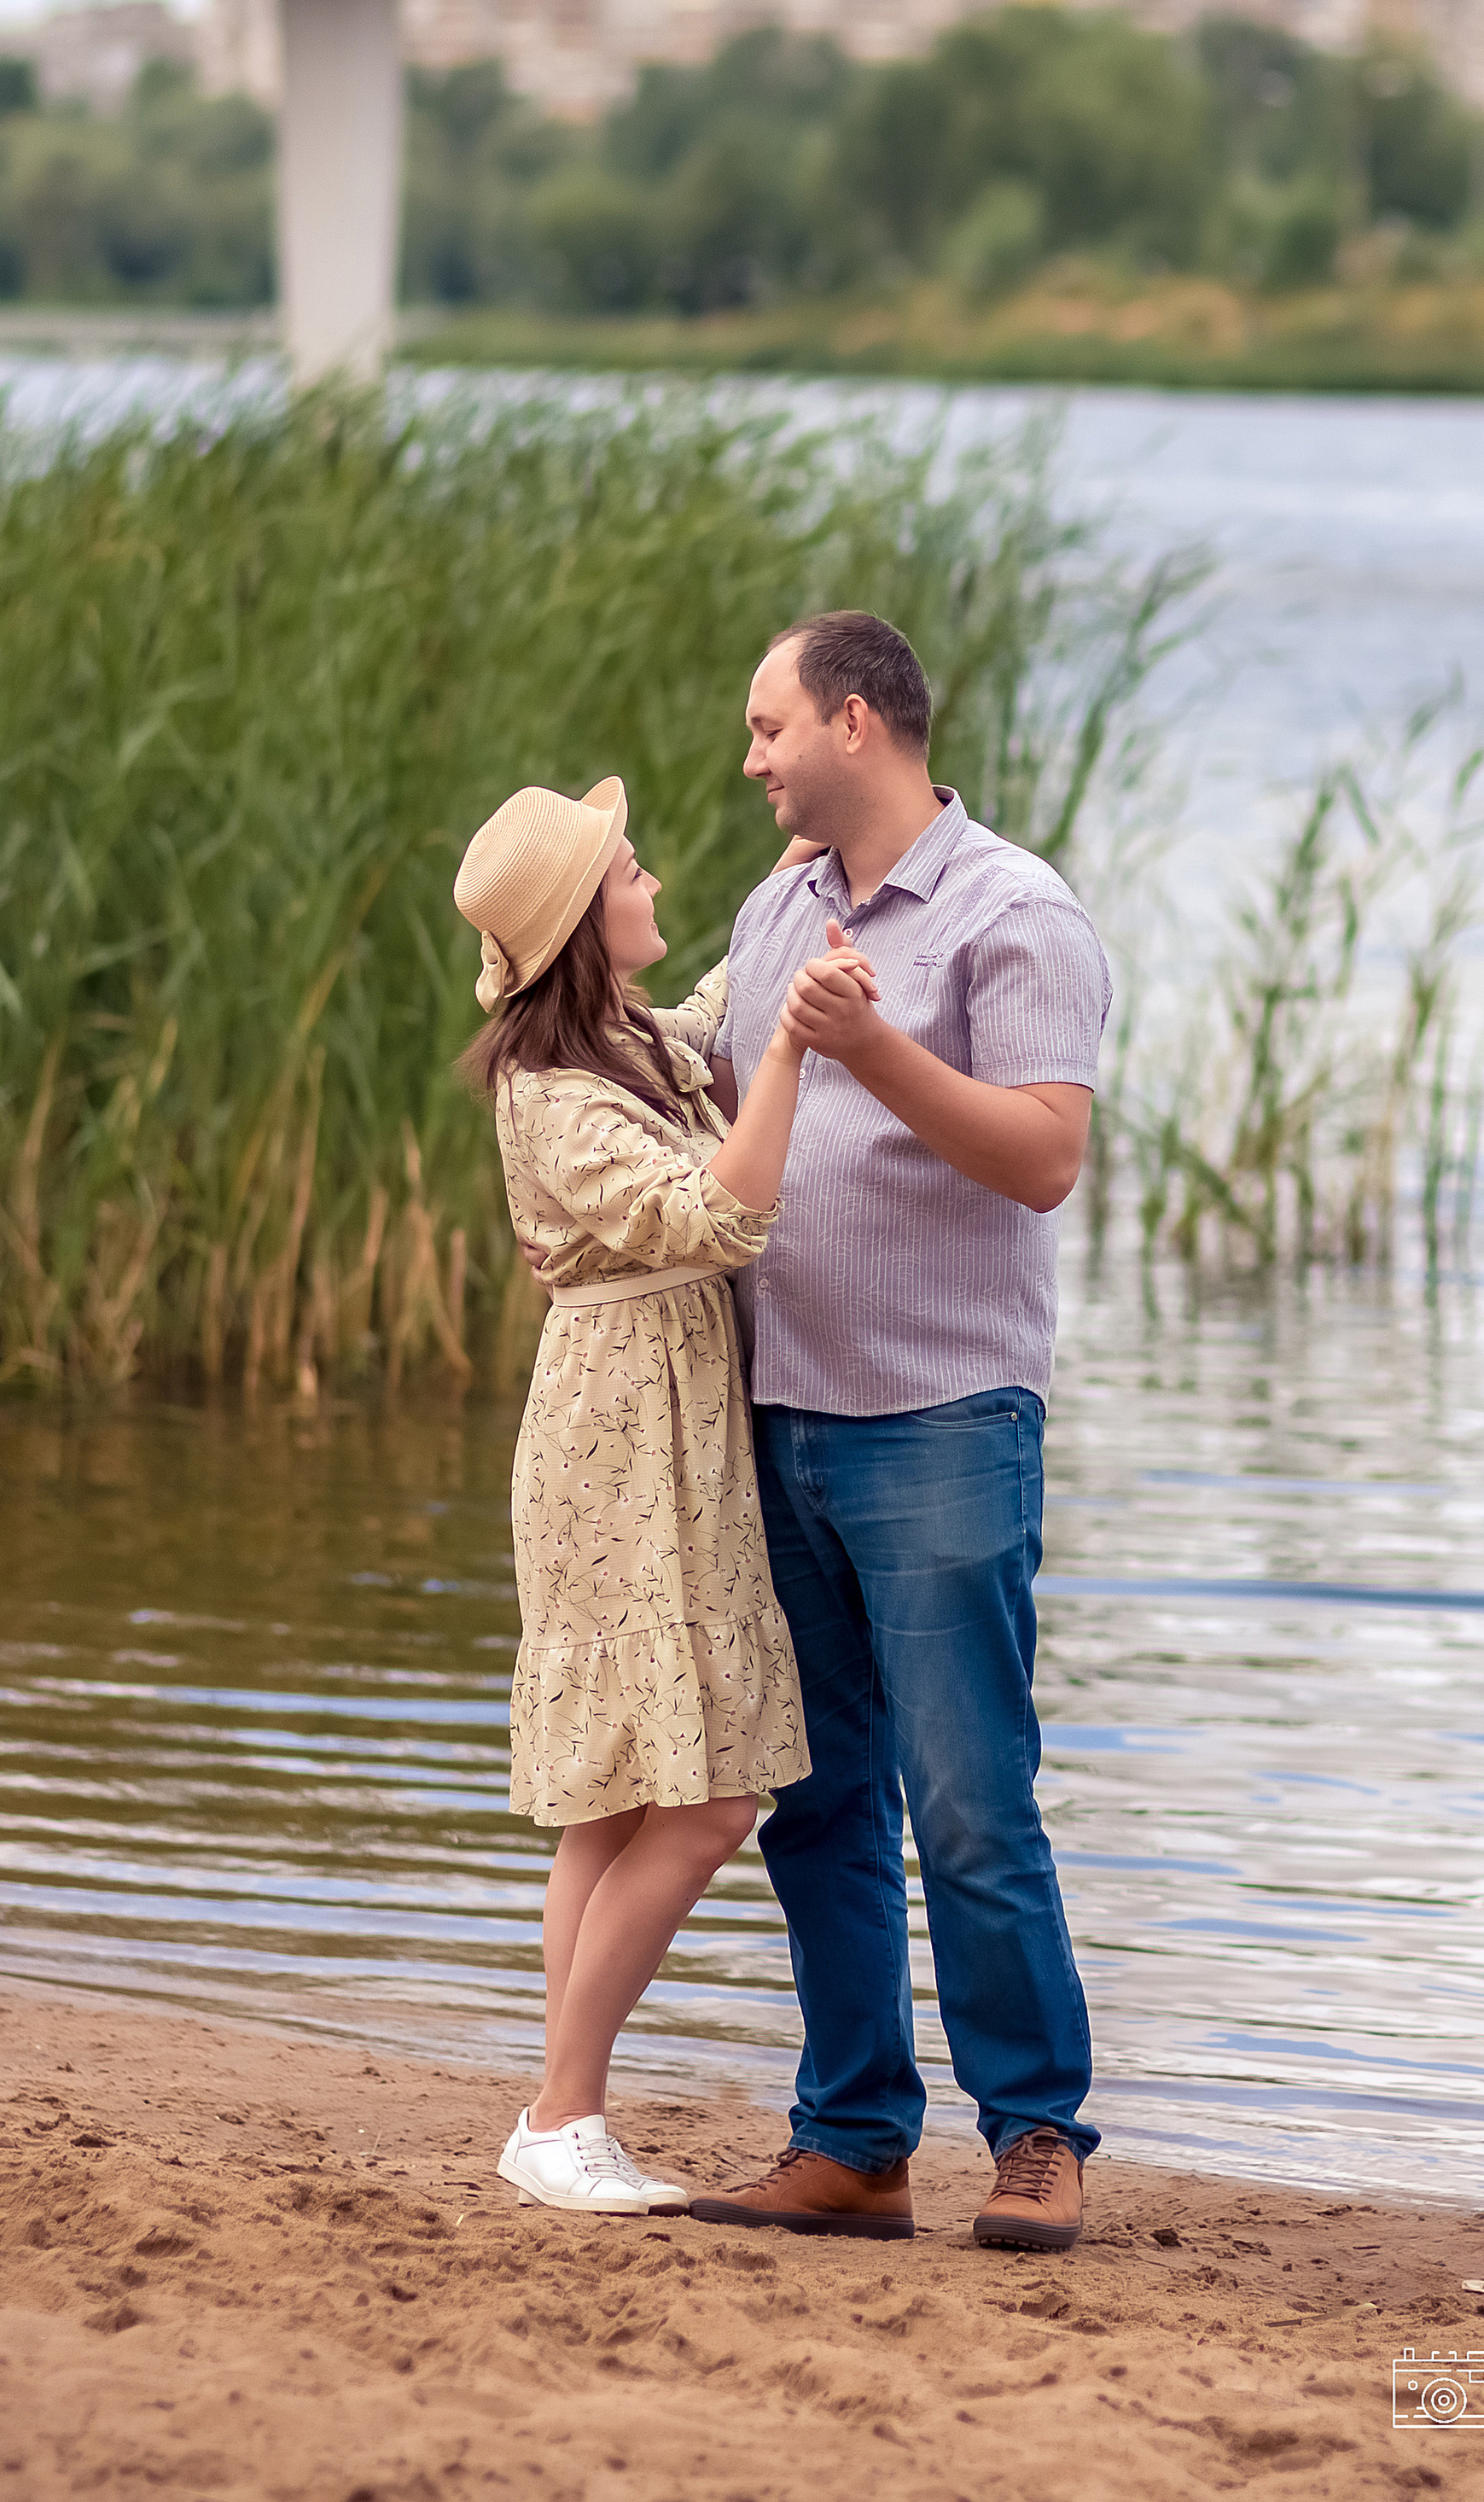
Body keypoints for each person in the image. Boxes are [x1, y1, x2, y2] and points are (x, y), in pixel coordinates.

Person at [686, 611, 1112, 2254]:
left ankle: (1037, 2133)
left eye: (768, 725)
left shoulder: (1017, 911)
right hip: (780, 1409)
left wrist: (876, 1045)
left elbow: (1044, 1158)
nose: (752, 757)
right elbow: (729, 1111)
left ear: (854, 722)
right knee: (819, 1803)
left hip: (942, 1418)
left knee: (972, 1800)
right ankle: (855, 2141)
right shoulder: (777, 905)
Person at [454, 774, 871, 2216]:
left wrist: (804, 875)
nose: (650, 880)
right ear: (585, 922)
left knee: (612, 1806)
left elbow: (709, 1009)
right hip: (622, 1442)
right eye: (628, 870)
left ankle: (560, 2116)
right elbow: (722, 1212)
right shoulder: (556, 1093)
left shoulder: (622, 1039)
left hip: (662, 1427)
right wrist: (798, 1052)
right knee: (704, 1801)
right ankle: (561, 2111)